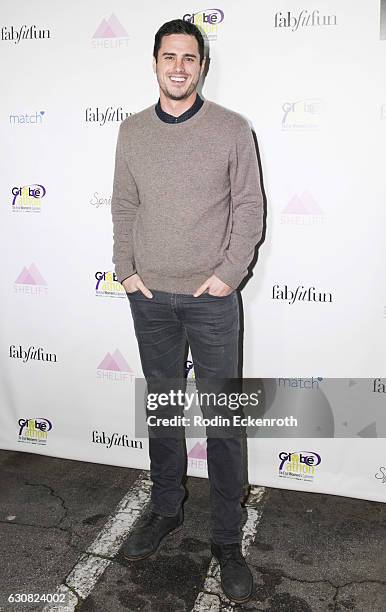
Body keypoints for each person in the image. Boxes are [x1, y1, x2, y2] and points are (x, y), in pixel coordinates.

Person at [111, 18, 264, 604]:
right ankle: (166, 509)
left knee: (224, 421)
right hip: (150, 298)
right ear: (155, 64)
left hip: (210, 301)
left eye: (190, 58)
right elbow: (124, 206)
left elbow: (249, 208)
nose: (179, 67)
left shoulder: (231, 129)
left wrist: (228, 275)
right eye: (169, 57)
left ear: (202, 66)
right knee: (164, 410)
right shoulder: (131, 132)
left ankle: (227, 541)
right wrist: (125, 268)